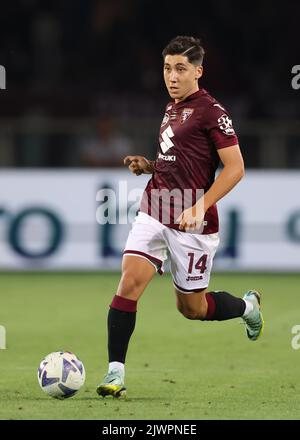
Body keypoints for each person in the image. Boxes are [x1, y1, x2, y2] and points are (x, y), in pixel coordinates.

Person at [96, 35, 264, 398]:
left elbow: (235, 169)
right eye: (167, 68)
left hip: (193, 221)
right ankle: (115, 374)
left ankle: (248, 306)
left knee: (192, 308)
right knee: (129, 282)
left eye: (181, 69)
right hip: (156, 207)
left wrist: (201, 205)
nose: (171, 76)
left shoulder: (212, 111)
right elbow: (182, 161)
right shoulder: (172, 107)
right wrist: (150, 165)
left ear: (198, 72)